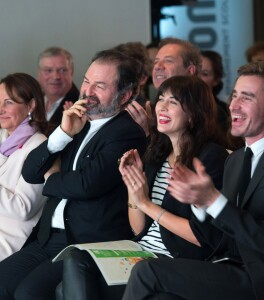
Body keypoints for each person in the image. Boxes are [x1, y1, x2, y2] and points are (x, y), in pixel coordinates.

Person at [122, 60, 264, 300]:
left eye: (246, 98)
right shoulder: (236, 159)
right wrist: (199, 204)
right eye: (234, 95)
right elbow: (221, 231)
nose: (234, 106)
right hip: (226, 265)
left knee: (147, 272)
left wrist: (212, 200)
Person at [56, 75, 229, 300]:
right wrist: (133, 187)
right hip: (141, 253)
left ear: (194, 113)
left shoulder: (209, 156)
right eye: (161, 99)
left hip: (176, 261)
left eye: (173, 102)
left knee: (67, 289)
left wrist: (147, 204)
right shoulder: (157, 154)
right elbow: (139, 229)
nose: (162, 107)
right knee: (76, 257)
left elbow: (201, 237)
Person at [0, 49, 147, 300]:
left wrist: (52, 177)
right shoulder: (76, 123)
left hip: (87, 243)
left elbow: (85, 185)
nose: (87, 91)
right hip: (47, 238)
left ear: (125, 95)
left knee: (28, 293)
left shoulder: (126, 133)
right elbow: (31, 173)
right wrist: (61, 135)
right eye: (87, 81)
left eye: (99, 85)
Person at [0, 73, 48, 261]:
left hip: (10, 238)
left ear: (31, 105)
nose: (0, 109)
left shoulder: (40, 146)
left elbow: (23, 209)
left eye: (9, 102)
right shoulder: (3, 137)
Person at [126, 37, 201, 137]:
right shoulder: (149, 111)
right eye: (156, 61)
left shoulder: (205, 110)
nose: (158, 66)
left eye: (168, 61)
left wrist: (147, 133)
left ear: (190, 70)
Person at [37, 46, 79, 130]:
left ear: (72, 72)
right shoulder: (32, 101)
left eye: (62, 70)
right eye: (48, 70)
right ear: (39, 73)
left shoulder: (79, 106)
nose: (56, 76)